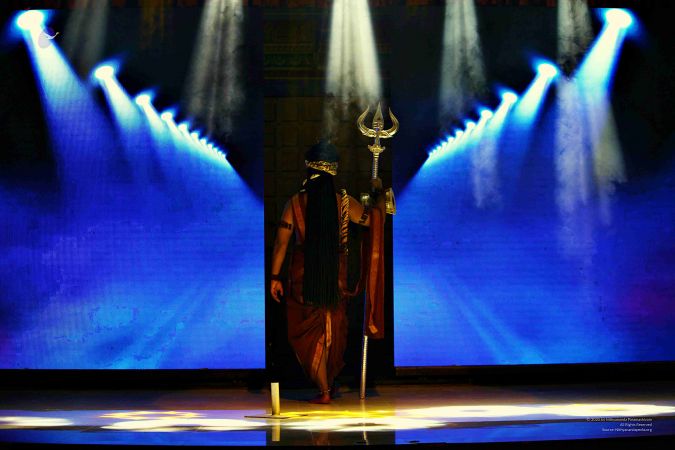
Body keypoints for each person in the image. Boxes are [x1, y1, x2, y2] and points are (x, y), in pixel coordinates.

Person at [270, 140, 385, 404]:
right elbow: (374, 220)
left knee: (310, 332)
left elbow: (281, 244)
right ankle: (327, 386)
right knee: (331, 329)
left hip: (304, 279)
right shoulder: (345, 203)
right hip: (334, 277)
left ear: (309, 169)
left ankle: (324, 388)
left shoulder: (295, 204)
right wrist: (378, 195)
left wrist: (275, 277)